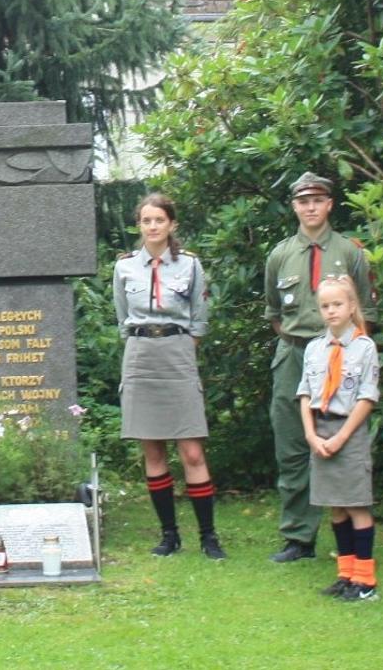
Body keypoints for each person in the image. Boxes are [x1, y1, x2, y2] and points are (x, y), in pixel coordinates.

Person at [262, 171, 374, 563]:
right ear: (294, 206)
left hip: (340, 356)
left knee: (341, 438)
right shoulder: (280, 255)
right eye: (303, 200)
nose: (310, 207)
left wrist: (345, 355)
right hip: (294, 354)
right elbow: (274, 312)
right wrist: (301, 343)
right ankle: (298, 537)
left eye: (318, 200)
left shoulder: (350, 252)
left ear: (329, 204)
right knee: (292, 446)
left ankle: (350, 533)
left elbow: (365, 313)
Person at [113, 194, 224, 560]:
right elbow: (122, 318)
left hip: (177, 353)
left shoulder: (190, 266)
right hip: (141, 355)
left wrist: (183, 349)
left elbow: (199, 317)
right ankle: (169, 535)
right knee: (153, 449)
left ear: (171, 224)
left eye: (159, 220)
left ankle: (208, 537)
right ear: (139, 225)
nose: (153, 226)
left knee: (192, 451)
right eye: (146, 220)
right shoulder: (125, 267)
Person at [299, 277, 382, 602]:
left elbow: (367, 397)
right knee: (335, 506)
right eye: (325, 306)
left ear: (351, 307)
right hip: (320, 432)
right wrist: (310, 434)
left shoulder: (364, 347)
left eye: (337, 305)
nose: (331, 311)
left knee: (356, 505)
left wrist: (343, 436)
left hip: (349, 432)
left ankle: (366, 580)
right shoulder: (314, 348)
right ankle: (346, 574)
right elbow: (305, 392)